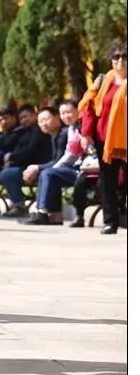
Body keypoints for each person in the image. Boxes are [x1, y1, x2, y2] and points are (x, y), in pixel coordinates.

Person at [79, 42, 127, 234]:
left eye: (125, 56)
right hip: (105, 140)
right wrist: (86, 133)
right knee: (108, 182)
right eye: (116, 56)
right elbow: (89, 108)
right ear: (111, 60)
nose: (120, 60)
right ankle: (110, 222)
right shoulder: (102, 81)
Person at [21, 104, 79, 226]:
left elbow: (59, 161)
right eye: (40, 121)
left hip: (77, 170)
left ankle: (42, 212)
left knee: (48, 173)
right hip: (67, 169)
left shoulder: (64, 133)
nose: (43, 124)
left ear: (57, 118)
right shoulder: (55, 135)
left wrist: (37, 167)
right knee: (49, 174)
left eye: (46, 119)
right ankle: (55, 216)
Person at [0, 105, 53, 218]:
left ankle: (19, 206)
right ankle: (16, 204)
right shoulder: (24, 132)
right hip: (28, 167)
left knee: (7, 174)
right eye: (21, 118)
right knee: (2, 171)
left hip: (40, 167)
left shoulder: (38, 130)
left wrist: (11, 157)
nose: (23, 120)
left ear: (34, 115)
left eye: (26, 116)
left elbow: (30, 151)